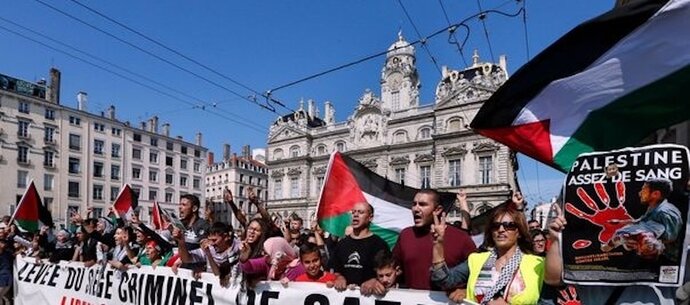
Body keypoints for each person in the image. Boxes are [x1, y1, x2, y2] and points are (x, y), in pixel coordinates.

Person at [369, 189, 475, 298]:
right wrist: (375, 281)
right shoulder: (406, 235)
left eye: (422, 204)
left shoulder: (461, 237)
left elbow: (479, 274)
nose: (416, 209)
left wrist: (465, 291)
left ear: (437, 210)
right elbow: (391, 269)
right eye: (414, 204)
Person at [431, 205, 545, 304]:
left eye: (509, 225)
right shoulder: (476, 260)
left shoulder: (538, 264)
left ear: (519, 232)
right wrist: (438, 244)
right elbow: (444, 280)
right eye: (496, 226)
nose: (501, 230)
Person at [601, 178, 682, 261]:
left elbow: (671, 239)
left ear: (655, 194)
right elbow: (642, 221)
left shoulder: (665, 213)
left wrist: (639, 241)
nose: (640, 193)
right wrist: (621, 222)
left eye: (644, 190)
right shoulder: (654, 207)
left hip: (667, 257)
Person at [329, 202, 389, 291]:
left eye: (360, 212)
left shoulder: (379, 245)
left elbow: (388, 273)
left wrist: (375, 280)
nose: (356, 215)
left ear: (370, 217)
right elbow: (333, 270)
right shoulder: (341, 244)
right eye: (353, 212)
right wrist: (339, 277)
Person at [240, 237, 305, 281]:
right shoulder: (267, 261)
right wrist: (244, 258)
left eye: (266, 252)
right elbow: (249, 267)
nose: (263, 254)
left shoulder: (298, 267)